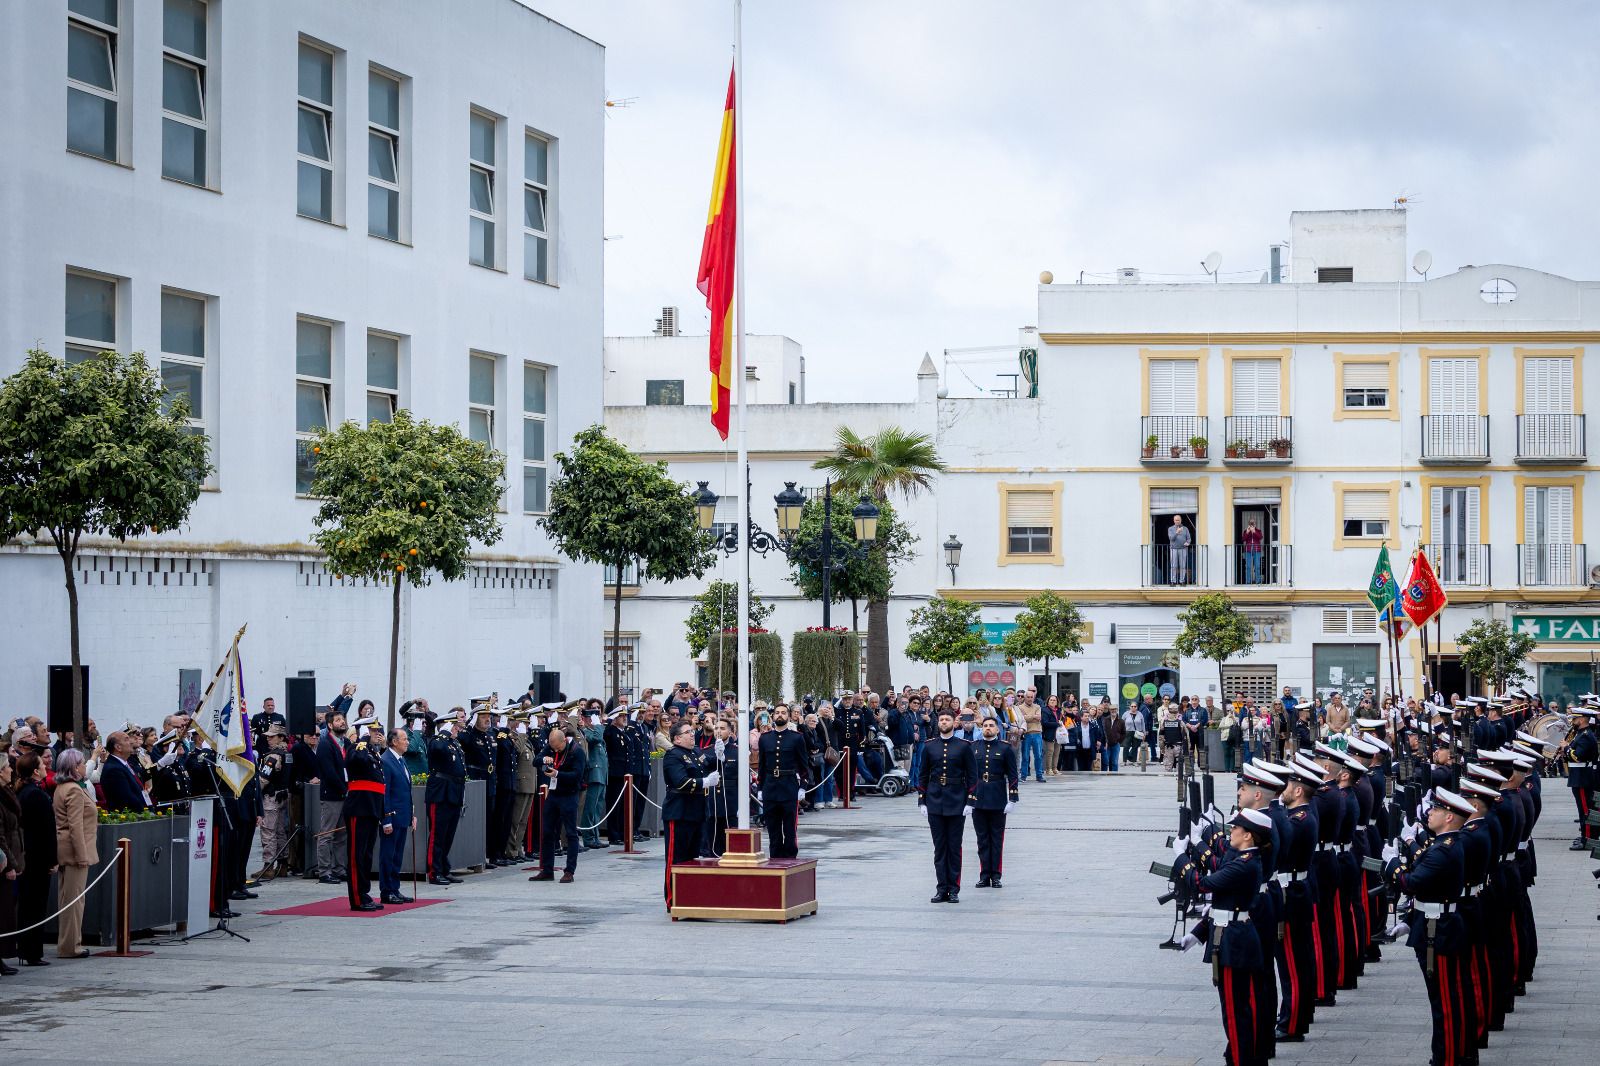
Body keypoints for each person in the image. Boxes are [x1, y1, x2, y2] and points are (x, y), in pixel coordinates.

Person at [1171, 807, 1272, 1066]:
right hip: (1230, 936)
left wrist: (1181, 857)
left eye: (1236, 828)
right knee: (1236, 1009)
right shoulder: (1242, 858)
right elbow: (1222, 905)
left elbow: (1203, 883)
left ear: (1248, 836)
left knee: (1235, 1013)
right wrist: (1197, 935)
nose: (1232, 831)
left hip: (1234, 943)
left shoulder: (1245, 865)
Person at [1383, 787, 1472, 1066]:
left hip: (1438, 932)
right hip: (1431, 924)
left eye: (1435, 810)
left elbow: (1412, 883)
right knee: (1444, 999)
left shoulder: (1443, 851)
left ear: (1448, 818)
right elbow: (1428, 891)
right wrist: (1409, 922)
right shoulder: (1442, 845)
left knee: (1444, 1002)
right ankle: (1449, 1055)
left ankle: (1448, 1058)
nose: (1429, 813)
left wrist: (1393, 863)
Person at [917, 708, 978, 903]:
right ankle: (941, 887)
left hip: (956, 801)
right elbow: (923, 774)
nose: (943, 722)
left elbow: (972, 776)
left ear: (954, 722)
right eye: (941, 719)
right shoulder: (929, 746)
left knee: (953, 847)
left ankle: (953, 888)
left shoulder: (963, 746)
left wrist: (970, 800)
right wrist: (922, 800)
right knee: (939, 848)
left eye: (947, 719)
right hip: (935, 800)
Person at [46, 748, 97, 961]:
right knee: (74, 901)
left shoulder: (63, 787)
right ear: (75, 767)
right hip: (75, 850)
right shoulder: (74, 790)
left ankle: (70, 942)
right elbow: (75, 826)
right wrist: (82, 854)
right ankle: (70, 945)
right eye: (83, 763)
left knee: (69, 899)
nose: (85, 766)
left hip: (66, 848)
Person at [661, 722, 716, 910]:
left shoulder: (695, 752)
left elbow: (709, 761)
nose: (692, 735)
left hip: (697, 812)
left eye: (692, 732)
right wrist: (705, 782)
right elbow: (681, 782)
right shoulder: (673, 756)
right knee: (676, 858)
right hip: (680, 812)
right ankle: (672, 898)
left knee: (692, 859)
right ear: (677, 738)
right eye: (687, 733)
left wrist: (722, 752)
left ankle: (688, 897)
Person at [13, 753, 56, 966]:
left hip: (28, 855)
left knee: (28, 904)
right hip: (37, 857)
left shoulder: (24, 792)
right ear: (35, 770)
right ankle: (32, 951)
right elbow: (46, 831)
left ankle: (26, 948)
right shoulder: (36, 795)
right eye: (41, 765)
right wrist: (52, 860)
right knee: (35, 905)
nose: (45, 767)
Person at [531, 724, 587, 883]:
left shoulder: (577, 752)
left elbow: (577, 776)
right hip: (554, 794)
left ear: (563, 741)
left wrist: (558, 773)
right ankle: (547, 870)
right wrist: (544, 759)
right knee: (547, 831)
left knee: (570, 833)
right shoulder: (550, 747)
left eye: (557, 748)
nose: (555, 751)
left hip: (569, 795)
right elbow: (536, 761)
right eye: (552, 748)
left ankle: (569, 871)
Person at [340, 715, 385, 911]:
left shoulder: (373, 753)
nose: (378, 734)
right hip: (359, 807)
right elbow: (356, 761)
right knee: (356, 855)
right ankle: (357, 899)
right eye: (373, 730)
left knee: (366, 855)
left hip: (371, 808)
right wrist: (363, 739)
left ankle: (364, 893)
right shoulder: (355, 748)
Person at [970, 717, 1018, 888]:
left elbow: (1013, 775)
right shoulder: (973, 747)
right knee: (982, 839)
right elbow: (968, 775)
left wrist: (1012, 798)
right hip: (978, 798)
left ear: (998, 729)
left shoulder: (1005, 748)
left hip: (997, 797)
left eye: (991, 726)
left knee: (996, 839)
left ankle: (996, 875)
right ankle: (984, 875)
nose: (988, 728)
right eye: (985, 726)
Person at [757, 706, 810, 860]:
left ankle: (790, 858)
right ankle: (775, 859)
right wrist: (761, 787)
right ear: (773, 716)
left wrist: (803, 786)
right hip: (770, 787)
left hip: (789, 786)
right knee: (773, 829)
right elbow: (762, 765)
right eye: (777, 713)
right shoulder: (765, 738)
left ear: (788, 716)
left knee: (789, 829)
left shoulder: (797, 737)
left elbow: (803, 765)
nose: (780, 715)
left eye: (783, 713)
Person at [425, 712, 467, 886]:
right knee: (438, 835)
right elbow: (437, 749)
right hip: (440, 793)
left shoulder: (453, 743)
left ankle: (443, 868)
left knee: (448, 835)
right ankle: (434, 872)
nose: (456, 729)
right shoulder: (437, 741)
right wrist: (444, 732)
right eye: (453, 726)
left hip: (453, 793)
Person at [315, 710, 351, 884]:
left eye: (342, 719)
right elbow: (329, 772)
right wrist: (344, 788)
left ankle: (339, 868)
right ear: (330, 725)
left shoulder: (346, 743)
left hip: (345, 794)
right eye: (338, 720)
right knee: (327, 833)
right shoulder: (325, 744)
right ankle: (324, 871)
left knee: (341, 835)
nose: (342, 722)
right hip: (332, 795)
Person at [379, 728, 415, 905]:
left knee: (397, 855)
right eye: (404, 739)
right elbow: (385, 793)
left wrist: (412, 814)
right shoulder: (386, 760)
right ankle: (386, 890)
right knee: (388, 855)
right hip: (391, 817)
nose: (407, 742)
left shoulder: (401, 760)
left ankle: (395, 888)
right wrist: (386, 819)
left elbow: (405, 790)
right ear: (394, 742)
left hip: (402, 816)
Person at [460, 705, 498, 863]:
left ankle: (489, 854)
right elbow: (463, 740)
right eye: (483, 717)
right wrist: (469, 725)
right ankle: (477, 855)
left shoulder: (489, 735)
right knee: (477, 820)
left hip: (489, 781)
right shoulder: (470, 735)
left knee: (490, 819)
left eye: (488, 716)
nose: (487, 719)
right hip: (476, 779)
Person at [254, 727, 292, 880]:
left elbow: (263, 779)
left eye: (272, 737)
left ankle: (268, 866)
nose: (268, 739)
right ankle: (283, 864)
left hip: (271, 797)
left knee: (268, 831)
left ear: (281, 738)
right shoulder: (288, 754)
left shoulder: (273, 757)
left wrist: (254, 792)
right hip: (283, 795)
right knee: (281, 831)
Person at [1565, 706, 1597, 849]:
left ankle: (1588, 840)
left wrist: (1566, 748)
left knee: (1586, 810)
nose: (1573, 720)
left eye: (1576, 718)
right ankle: (1585, 835)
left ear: (1583, 719)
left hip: (1583, 778)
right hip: (1578, 777)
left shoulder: (1586, 736)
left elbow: (1578, 756)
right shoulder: (1580, 733)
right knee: (1582, 809)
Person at [0, 753, 20, 977]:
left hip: (10, 856)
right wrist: (9, 864)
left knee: (6, 911)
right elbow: (0, 836)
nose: (11, 771)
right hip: (3, 862)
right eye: (6, 767)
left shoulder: (7, 792)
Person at [99, 729, 150, 812]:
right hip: (131, 819)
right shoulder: (114, 770)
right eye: (126, 739)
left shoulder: (125, 764)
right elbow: (127, 799)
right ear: (118, 747)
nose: (131, 742)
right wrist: (146, 812)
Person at [1168, 513, 1192, 584]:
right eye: (1176, 520)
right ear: (1174, 521)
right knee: (1174, 565)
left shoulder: (1185, 529)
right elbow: (1171, 538)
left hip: (1183, 549)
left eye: (1178, 520)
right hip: (1173, 549)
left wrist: (1188, 543)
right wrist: (1177, 532)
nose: (1177, 521)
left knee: (1182, 566)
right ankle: (1173, 581)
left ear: (1181, 520)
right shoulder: (1171, 529)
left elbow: (1189, 538)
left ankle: (1182, 581)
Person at [1242, 517, 1264, 584]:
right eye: (1250, 523)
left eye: (1253, 523)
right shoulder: (1246, 531)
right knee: (1248, 566)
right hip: (1248, 550)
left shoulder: (1258, 531)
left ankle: (1258, 581)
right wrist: (1248, 532)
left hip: (1257, 550)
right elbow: (1243, 539)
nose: (1252, 525)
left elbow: (1260, 537)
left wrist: (1254, 531)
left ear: (1255, 524)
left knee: (1257, 566)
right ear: (1248, 524)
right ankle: (1248, 581)